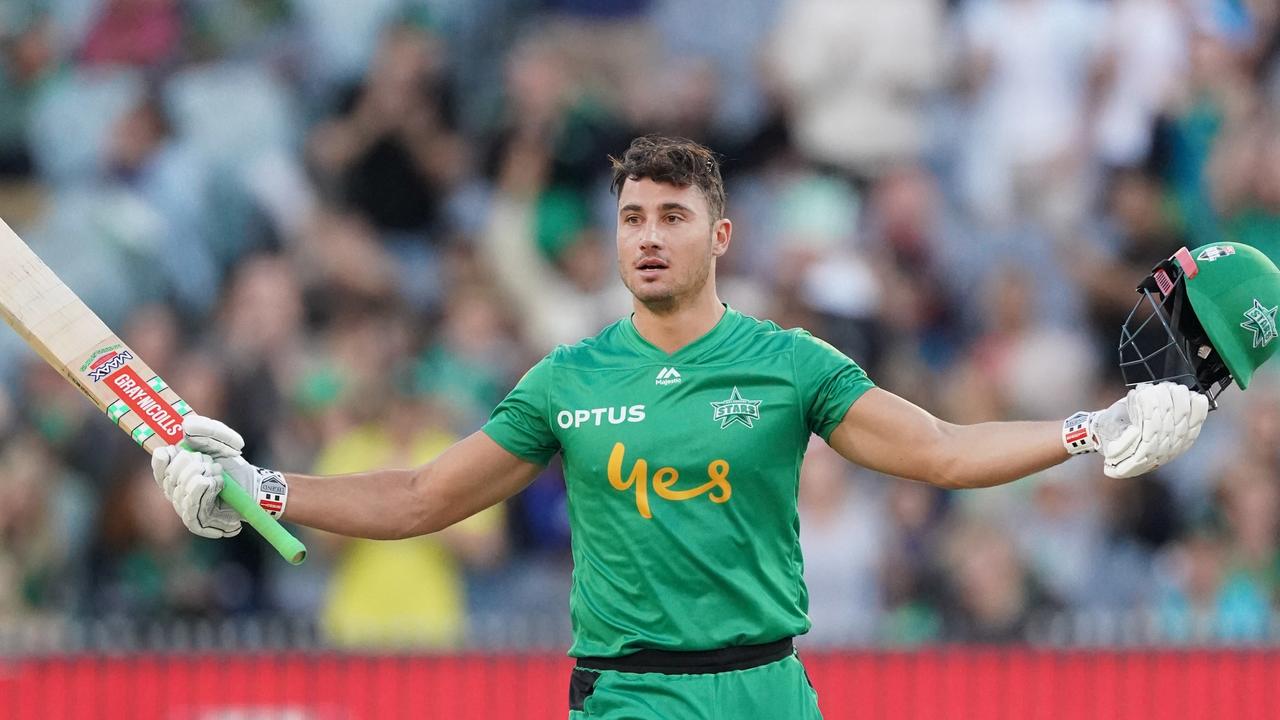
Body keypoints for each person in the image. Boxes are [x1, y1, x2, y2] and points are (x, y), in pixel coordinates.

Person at [153, 136, 1211, 719]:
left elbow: (936, 449)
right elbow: (424, 495)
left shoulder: (789, 362)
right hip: (633, 691)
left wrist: (1093, 426)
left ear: (719, 233)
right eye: (629, 218)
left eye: (669, 217)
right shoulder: (565, 379)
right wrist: (260, 488)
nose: (646, 239)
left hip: (770, 689)